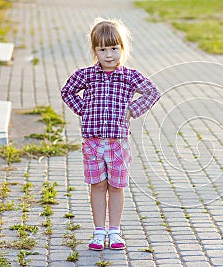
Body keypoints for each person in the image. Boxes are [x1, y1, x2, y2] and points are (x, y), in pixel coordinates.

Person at [61, 18, 161, 250]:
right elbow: (67, 91)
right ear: (95, 50)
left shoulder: (129, 76)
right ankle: (98, 232)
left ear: (122, 48)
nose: (109, 54)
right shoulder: (86, 75)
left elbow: (153, 92)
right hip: (93, 143)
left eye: (114, 48)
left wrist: (132, 110)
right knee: (97, 185)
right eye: (103, 49)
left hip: (118, 144)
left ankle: (114, 231)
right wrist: (83, 109)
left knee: (116, 186)